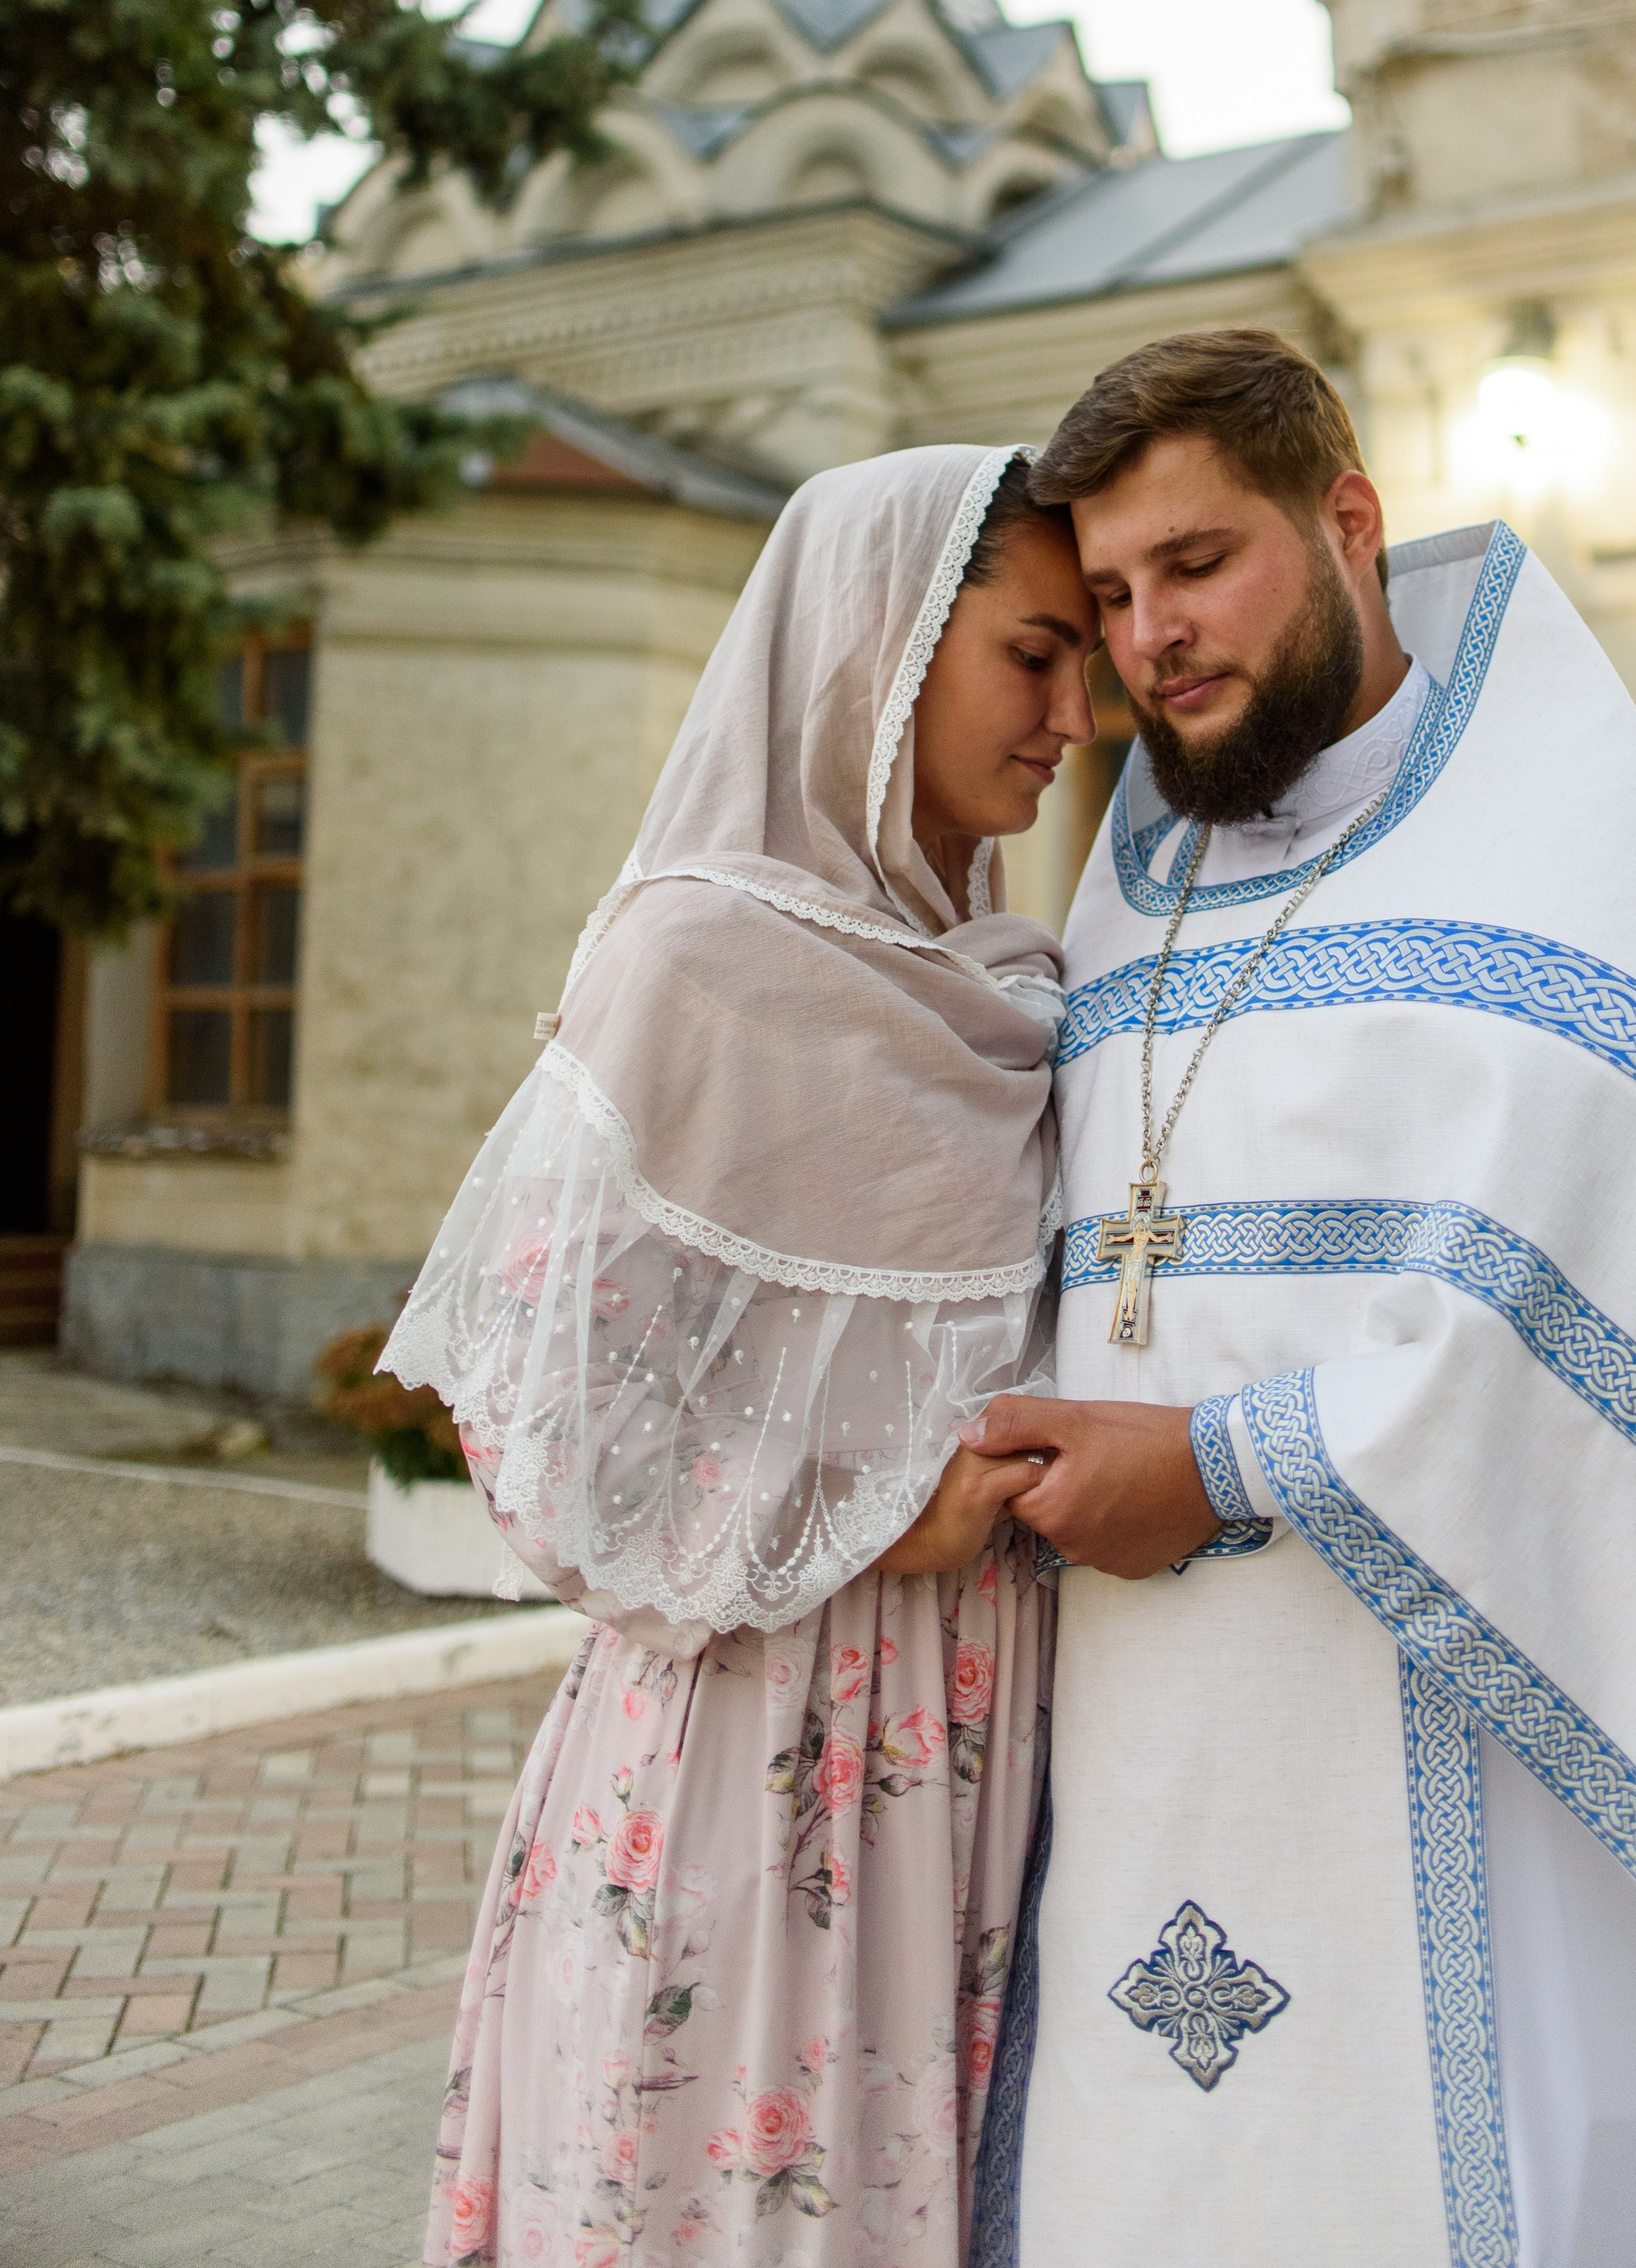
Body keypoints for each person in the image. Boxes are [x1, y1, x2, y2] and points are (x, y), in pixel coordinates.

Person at [963, 329, 1636, 2268]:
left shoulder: (1567, 869)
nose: (1147, 637)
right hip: (1143, 1731)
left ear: (1345, 522)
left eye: (1196, 566)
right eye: (1106, 596)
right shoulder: (1123, 892)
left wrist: (1225, 1456)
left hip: (1493, 1736)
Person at [381, 443, 1098, 2268]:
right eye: (1034, 654)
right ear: (879, 647)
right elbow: (541, 1439)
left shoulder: (1012, 983)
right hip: (751, 1757)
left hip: (981, 1769)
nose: (1074, 713)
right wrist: (873, 1519)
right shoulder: (694, 967)